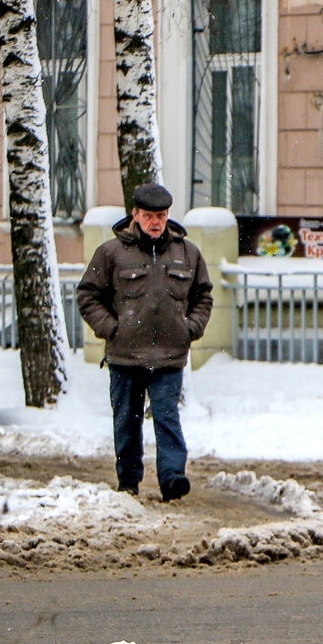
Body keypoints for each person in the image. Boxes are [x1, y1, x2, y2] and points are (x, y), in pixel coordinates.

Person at [78, 183, 213, 501]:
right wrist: (112, 328)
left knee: (167, 416)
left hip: (170, 354)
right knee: (127, 420)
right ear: (135, 215)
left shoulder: (187, 253)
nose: (156, 221)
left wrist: (189, 328)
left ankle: (173, 478)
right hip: (125, 355)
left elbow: (203, 295)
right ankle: (128, 481)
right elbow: (88, 294)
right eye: (150, 215)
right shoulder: (111, 253)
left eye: (162, 215)